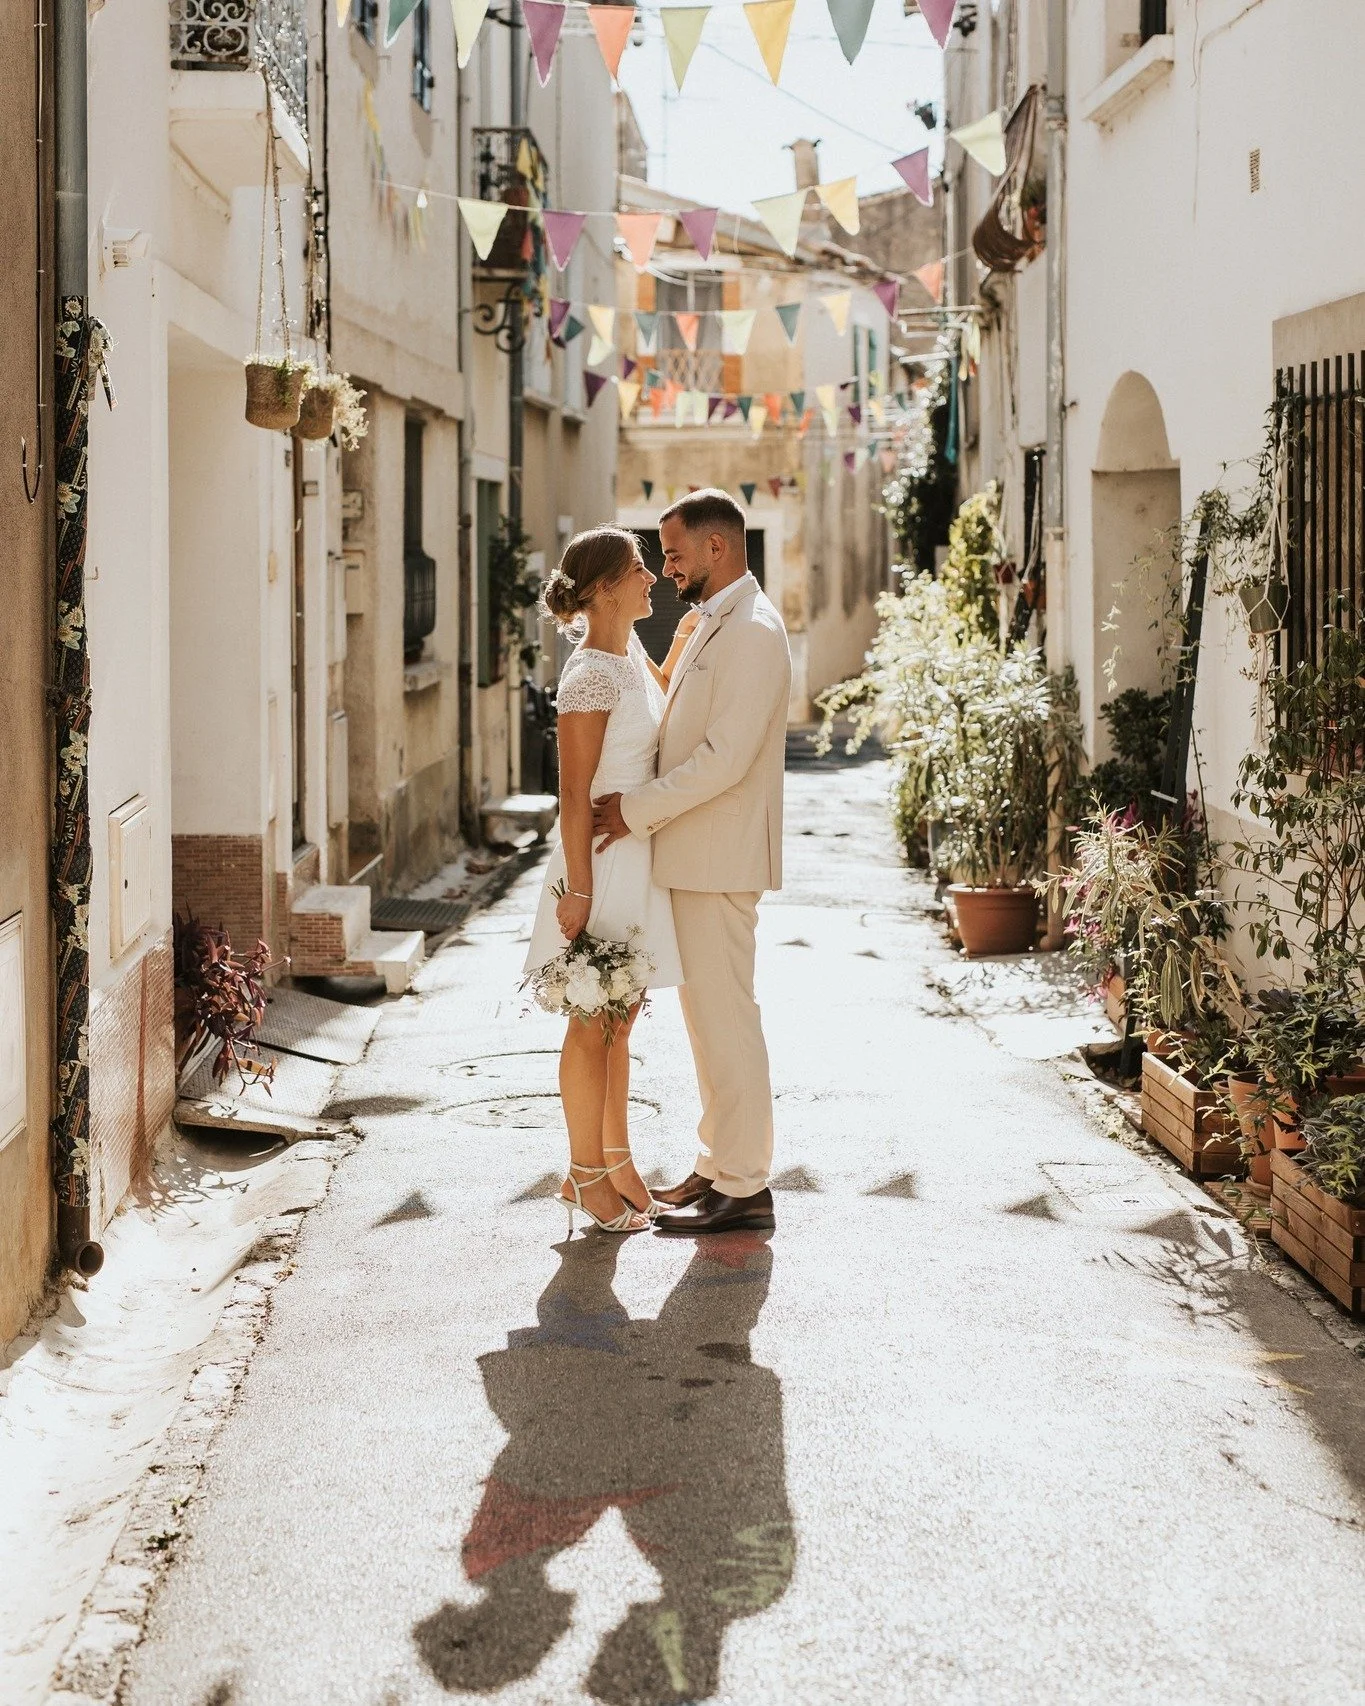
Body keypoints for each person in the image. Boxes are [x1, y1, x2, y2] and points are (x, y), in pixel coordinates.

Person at [592, 488, 792, 1235]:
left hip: (719, 856)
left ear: (717, 547)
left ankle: (745, 1186)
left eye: (674, 553)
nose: (667, 567)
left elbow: (724, 760)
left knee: (727, 1021)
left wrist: (632, 810)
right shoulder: (715, 620)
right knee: (708, 1024)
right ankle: (717, 1166)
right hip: (695, 856)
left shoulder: (754, 631)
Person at [523, 526, 695, 1234]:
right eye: (637, 569)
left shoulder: (627, 652)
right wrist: (581, 891)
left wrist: (688, 639)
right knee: (591, 1020)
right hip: (598, 862)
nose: (652, 577)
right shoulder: (588, 672)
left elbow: (665, 702)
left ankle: (618, 1161)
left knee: (619, 1022)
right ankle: (584, 1174)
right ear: (601, 588)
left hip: (637, 854)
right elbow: (571, 795)